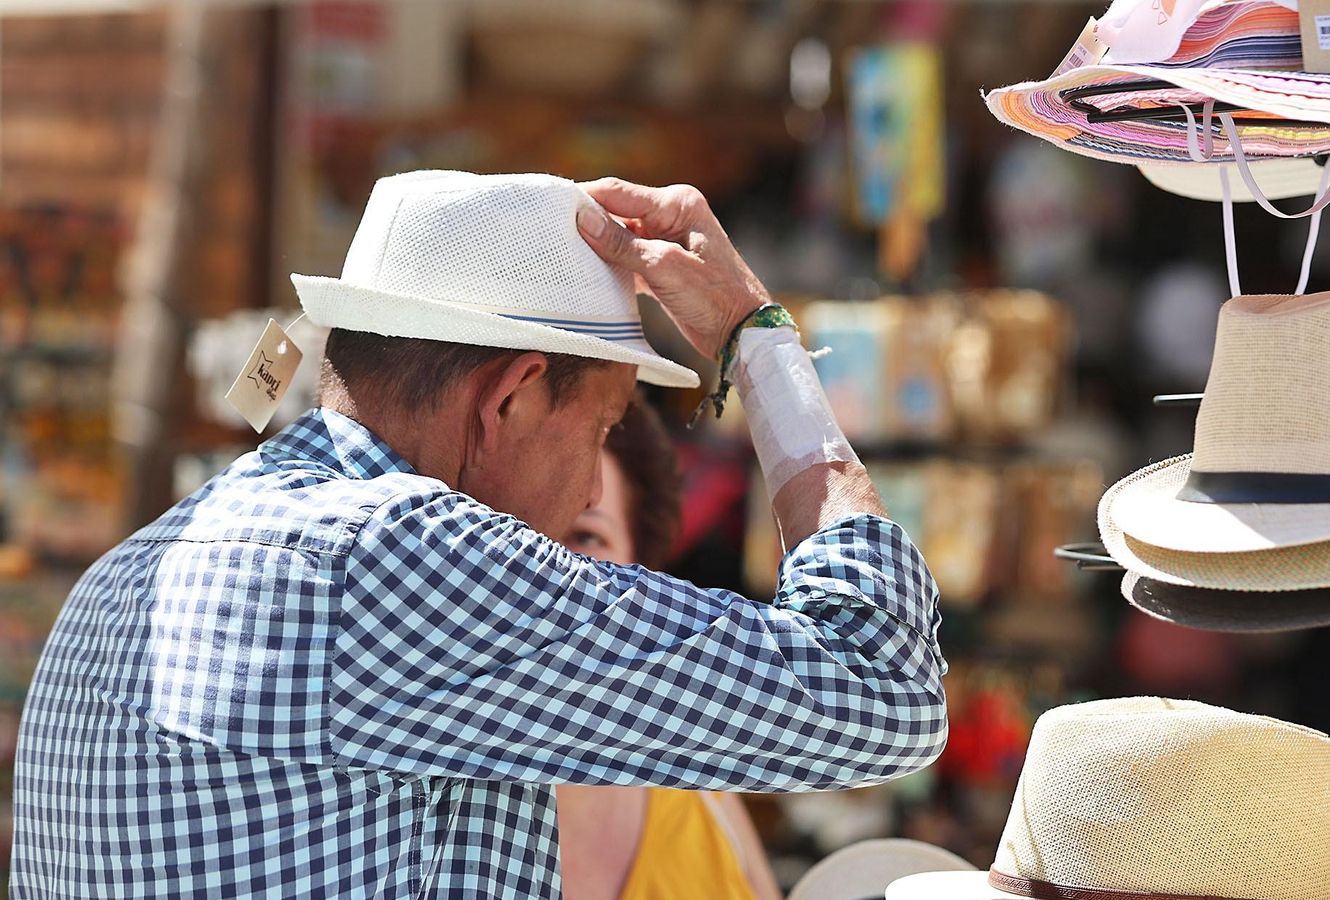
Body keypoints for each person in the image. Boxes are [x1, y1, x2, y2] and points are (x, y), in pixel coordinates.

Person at [11, 172, 946, 899]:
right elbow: (878, 687)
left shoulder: (122, 575)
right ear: (509, 397)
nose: (592, 481)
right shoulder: (389, 557)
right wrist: (758, 339)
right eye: (605, 428)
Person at [556, 398, 783, 900]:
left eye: (586, 537)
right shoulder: (420, 814)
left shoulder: (701, 790)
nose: (553, 570)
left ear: (642, 573)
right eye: (525, 532)